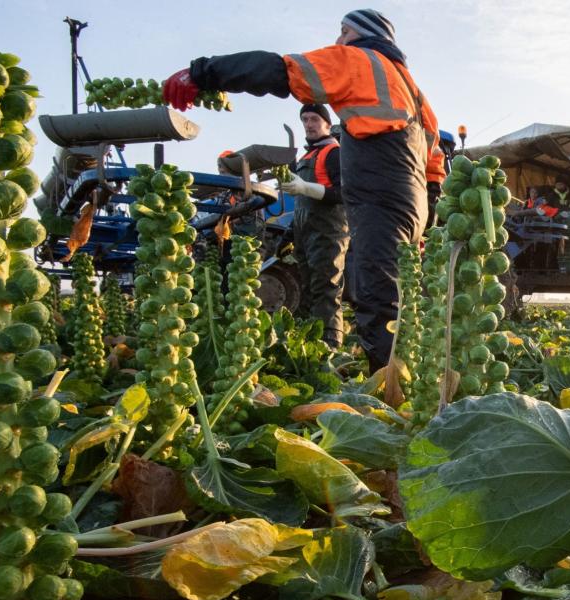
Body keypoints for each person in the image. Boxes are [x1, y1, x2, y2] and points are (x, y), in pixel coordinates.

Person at [162, 9, 445, 371]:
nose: (339, 39)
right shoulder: (414, 92)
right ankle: (406, 375)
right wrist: (429, 207)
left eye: (344, 31)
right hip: (410, 197)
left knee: (376, 295)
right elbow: (434, 158)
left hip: (379, 195)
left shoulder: (360, 61)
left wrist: (202, 73)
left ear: (363, 34)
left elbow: (281, 71)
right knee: (393, 289)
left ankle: (393, 393)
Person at [281, 103, 348, 349]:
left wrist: (305, 187)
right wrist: (288, 235)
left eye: (314, 120)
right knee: (307, 291)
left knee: (327, 289)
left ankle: (330, 349)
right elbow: (300, 205)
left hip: (329, 232)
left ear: (327, 124)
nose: (309, 124)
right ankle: (310, 346)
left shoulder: (334, 153)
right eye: (305, 120)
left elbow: (344, 193)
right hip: (305, 233)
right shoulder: (306, 157)